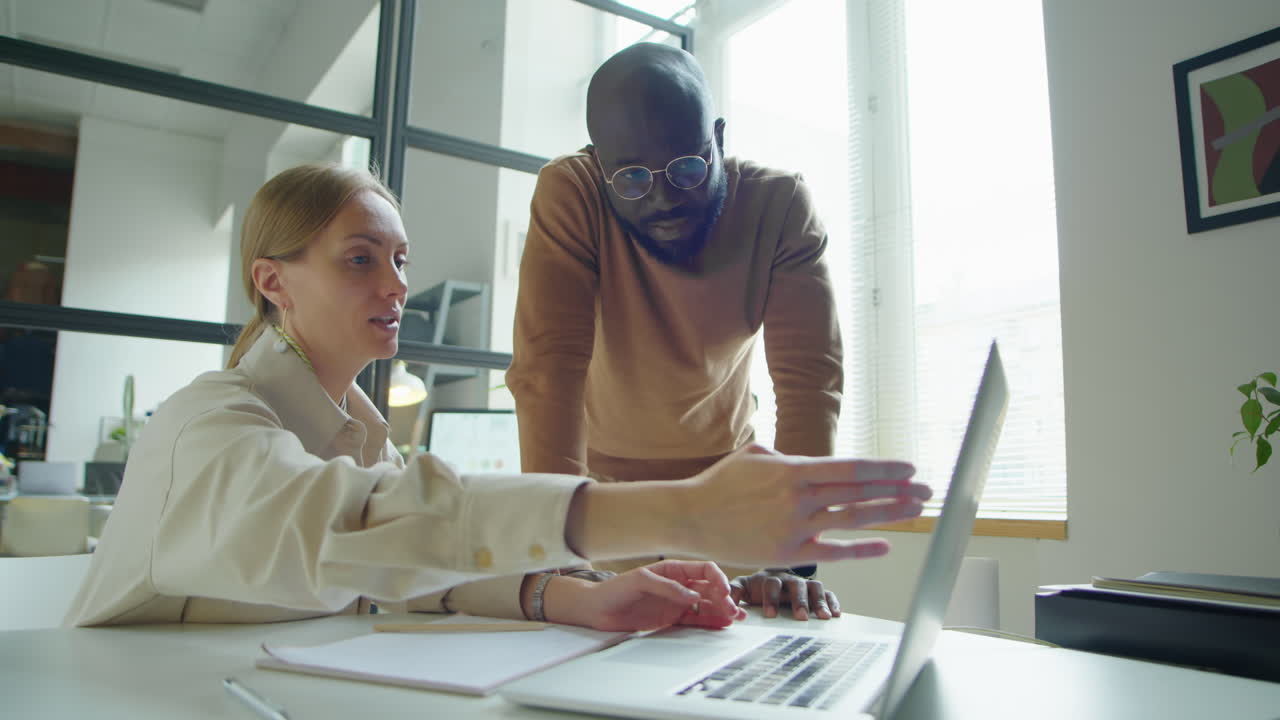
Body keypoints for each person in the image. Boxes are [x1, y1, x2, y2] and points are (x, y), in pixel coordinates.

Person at [65, 163, 929, 630]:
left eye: (401, 260)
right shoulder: (209, 423)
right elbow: (358, 529)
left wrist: (568, 596)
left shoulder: (360, 438)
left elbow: (393, 576)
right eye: (360, 258)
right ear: (273, 283)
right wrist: (683, 511)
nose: (395, 285)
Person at [507, 42, 853, 620]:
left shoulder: (780, 206)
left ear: (718, 136)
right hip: (602, 497)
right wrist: (559, 553)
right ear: (599, 163)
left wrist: (791, 560)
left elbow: (810, 382)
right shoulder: (572, 193)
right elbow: (547, 370)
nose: (665, 197)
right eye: (633, 179)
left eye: (689, 168)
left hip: (732, 487)